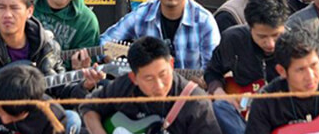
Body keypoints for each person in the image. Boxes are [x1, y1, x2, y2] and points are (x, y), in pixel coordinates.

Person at [100, 0, 220, 70]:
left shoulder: (204, 21)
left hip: (190, 90)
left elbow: (213, 72)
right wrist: (110, 58)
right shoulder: (142, 14)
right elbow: (105, 41)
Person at [81, 36, 221, 133]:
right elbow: (89, 106)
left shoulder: (196, 103)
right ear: (134, 77)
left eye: (163, 75)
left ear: (171, 64)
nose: (159, 85)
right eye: (149, 78)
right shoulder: (124, 86)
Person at [205, 0, 290, 133]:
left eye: (276, 35)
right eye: (262, 36)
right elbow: (212, 71)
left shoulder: (294, 45)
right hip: (241, 113)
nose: (270, 44)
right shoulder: (233, 39)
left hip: (280, 114)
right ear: (249, 27)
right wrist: (220, 93)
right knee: (218, 108)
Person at [0, 64, 81, 134]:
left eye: (13, 117)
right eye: (1, 110)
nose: (4, 120)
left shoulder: (53, 117)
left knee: (73, 119)